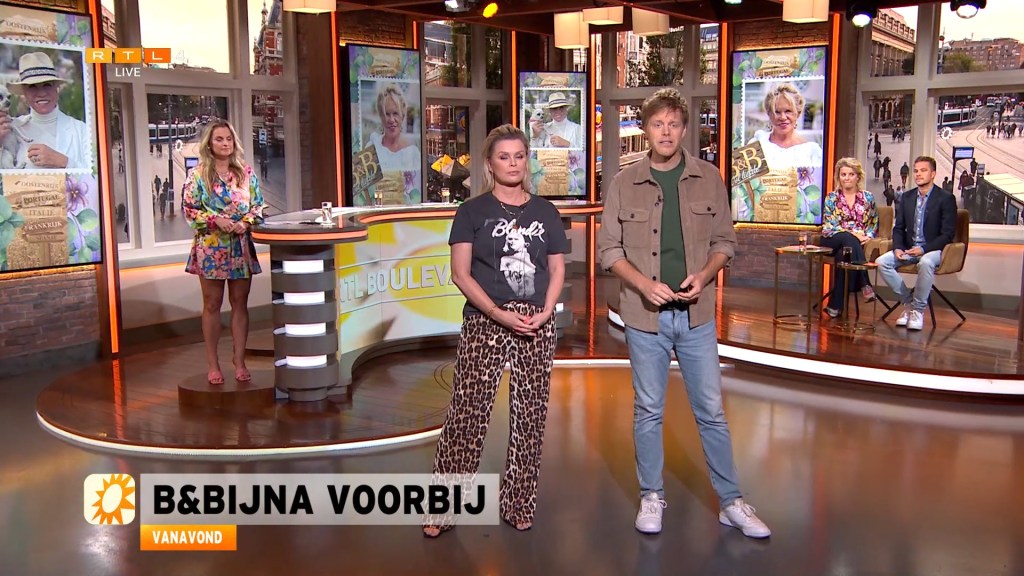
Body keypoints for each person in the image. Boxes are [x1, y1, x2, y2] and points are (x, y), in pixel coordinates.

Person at [597, 88, 770, 539]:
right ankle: (651, 496)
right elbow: (609, 250)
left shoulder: (708, 178)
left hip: (696, 317)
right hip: (645, 318)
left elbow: (725, 241)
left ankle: (731, 502)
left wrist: (706, 274)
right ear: (646, 129)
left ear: (684, 129)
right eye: (658, 124)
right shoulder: (623, 183)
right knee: (648, 410)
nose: (666, 132)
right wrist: (643, 284)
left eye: (674, 124)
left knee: (711, 410)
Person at [423, 124, 567, 538]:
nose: (513, 163)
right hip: (485, 319)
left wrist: (546, 311)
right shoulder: (472, 212)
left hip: (536, 321)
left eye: (519, 156)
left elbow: (556, 267)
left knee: (530, 416)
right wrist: (496, 313)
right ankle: (443, 508)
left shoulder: (545, 212)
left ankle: (518, 503)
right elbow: (460, 274)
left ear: (527, 160)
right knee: (467, 414)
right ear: (490, 164)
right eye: (504, 157)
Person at [182, 120, 265, 385]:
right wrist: (214, 220)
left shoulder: (245, 173)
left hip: (240, 245)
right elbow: (189, 210)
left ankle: (239, 361)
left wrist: (246, 222)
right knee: (212, 303)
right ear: (209, 143)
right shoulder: (197, 175)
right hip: (211, 246)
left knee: (240, 302)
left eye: (229, 138)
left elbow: (258, 207)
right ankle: (213, 364)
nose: (225, 143)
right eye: (219, 139)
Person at [876, 156, 957, 331]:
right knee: (881, 262)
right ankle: (908, 304)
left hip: (933, 250)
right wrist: (898, 248)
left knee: (926, 262)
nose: (918, 174)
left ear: (933, 174)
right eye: (916, 171)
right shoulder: (907, 197)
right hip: (909, 249)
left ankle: (918, 311)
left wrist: (923, 249)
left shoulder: (946, 198)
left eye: (923, 170)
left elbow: (948, 235)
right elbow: (899, 228)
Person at [0, 52, 90, 170]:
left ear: (56, 88)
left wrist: (64, 161)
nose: (42, 93)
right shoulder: (13, 128)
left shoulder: (81, 130)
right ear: (24, 93)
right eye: (32, 86)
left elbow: (97, 177)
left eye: (47, 85)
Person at [820, 158, 879, 318]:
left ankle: (835, 307)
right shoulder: (831, 197)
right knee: (848, 238)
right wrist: (855, 235)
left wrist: (868, 236)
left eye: (851, 174)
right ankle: (865, 283)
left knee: (844, 255)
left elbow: (873, 222)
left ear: (858, 176)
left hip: (854, 245)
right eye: (843, 174)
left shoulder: (868, 198)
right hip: (832, 238)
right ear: (838, 177)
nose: (847, 178)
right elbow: (831, 224)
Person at [748, 83, 823, 170]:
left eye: (788, 111)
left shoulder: (812, 152)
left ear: (798, 113)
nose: (783, 117)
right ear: (769, 114)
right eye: (777, 112)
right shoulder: (757, 144)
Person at [368, 83, 421, 203]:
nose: (392, 120)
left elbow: (417, 196)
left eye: (395, 113)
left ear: (402, 115)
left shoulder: (413, 154)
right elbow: (362, 193)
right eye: (387, 114)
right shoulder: (372, 148)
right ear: (381, 116)